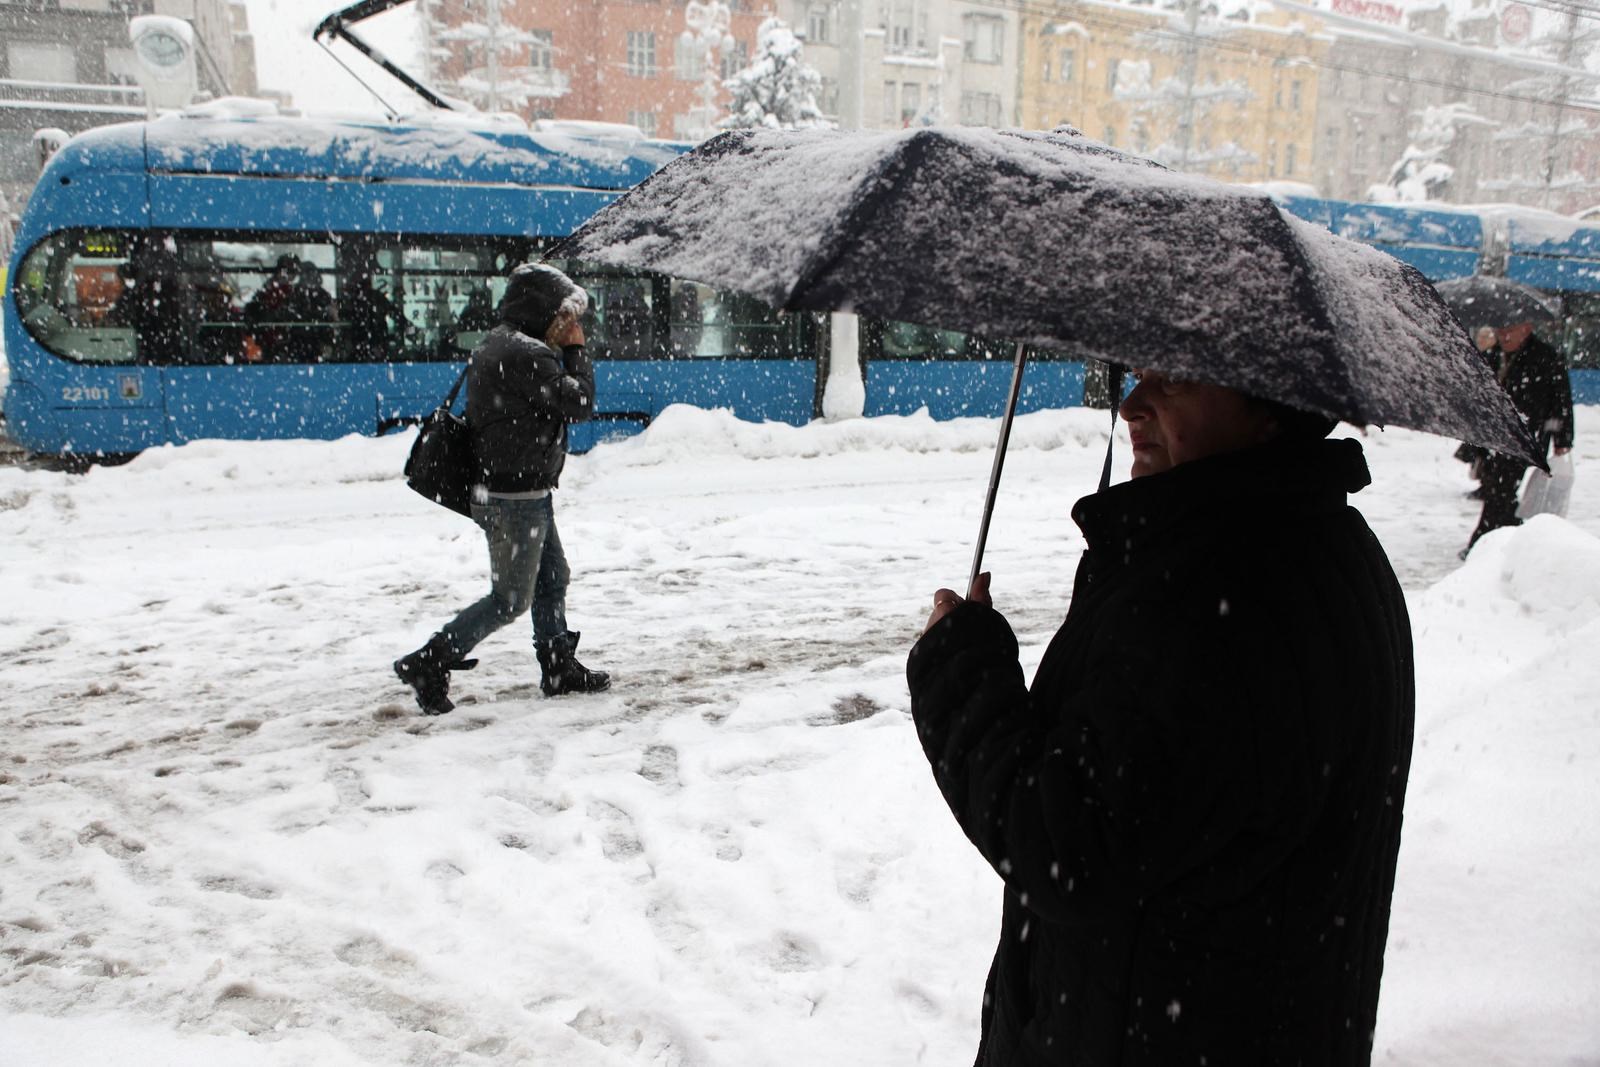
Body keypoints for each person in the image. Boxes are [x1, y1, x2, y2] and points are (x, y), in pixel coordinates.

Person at [907, 370, 1414, 1066]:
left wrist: (958, 672)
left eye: (1174, 380)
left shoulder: (1218, 595)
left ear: (1271, 406)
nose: (1132, 403)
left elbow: (1064, 837)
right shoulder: (1318, 544)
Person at [394, 263, 611, 715]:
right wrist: (577, 351)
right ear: (543, 310)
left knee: (553, 577)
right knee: (511, 599)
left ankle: (558, 666)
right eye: (565, 317)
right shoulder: (526, 354)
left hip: (516, 488)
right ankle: (430, 661)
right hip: (515, 496)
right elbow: (581, 403)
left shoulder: (500, 343)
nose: (571, 326)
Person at [1463, 320, 1574, 555]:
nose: (1504, 336)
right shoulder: (1492, 355)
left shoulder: (1545, 357)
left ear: (1526, 329)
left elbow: (1560, 400)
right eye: (1500, 331)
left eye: (1509, 331)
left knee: (1500, 490)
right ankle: (1507, 534)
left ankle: (1485, 541)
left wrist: (1562, 441)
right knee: (1499, 490)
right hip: (1494, 437)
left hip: (1526, 437)